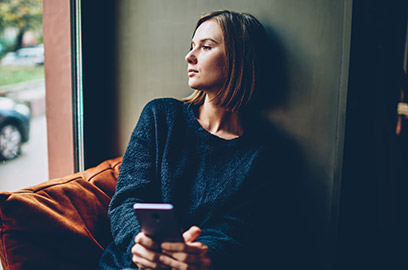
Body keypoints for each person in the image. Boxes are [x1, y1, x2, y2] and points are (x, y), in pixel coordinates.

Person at [100, 10, 305, 270]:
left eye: (206, 46)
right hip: (132, 263)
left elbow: (240, 229)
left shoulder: (266, 152)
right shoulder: (161, 116)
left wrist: (203, 254)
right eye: (192, 46)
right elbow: (127, 199)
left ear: (239, 59)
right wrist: (139, 244)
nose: (190, 55)